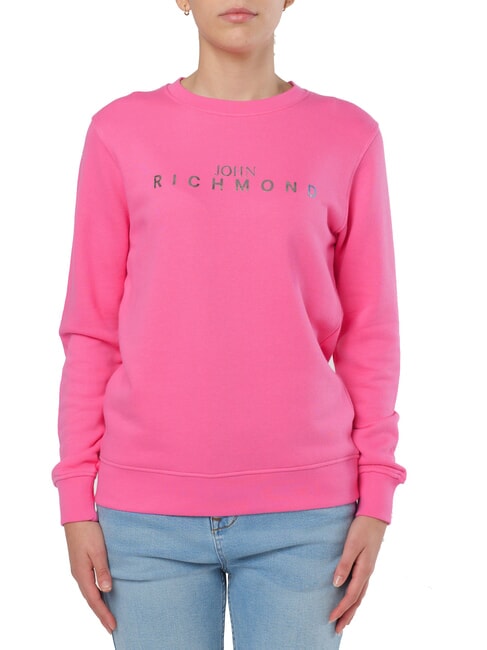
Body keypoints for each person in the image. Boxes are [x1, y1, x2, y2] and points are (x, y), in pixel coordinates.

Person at [52, 1, 406, 648]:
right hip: (145, 516)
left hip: (307, 515)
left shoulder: (347, 136)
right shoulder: (119, 132)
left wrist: (378, 491)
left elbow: (370, 332)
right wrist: (75, 494)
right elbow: (92, 331)